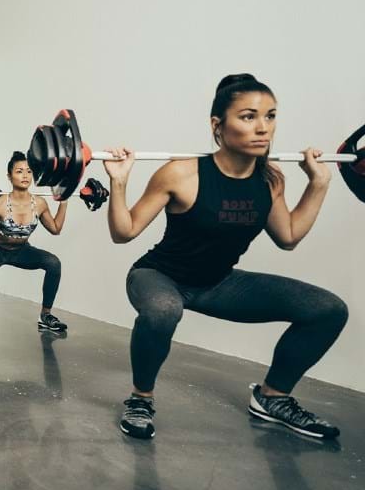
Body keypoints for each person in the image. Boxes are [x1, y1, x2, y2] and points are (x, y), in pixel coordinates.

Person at [107, 73, 348, 440]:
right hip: (160, 276)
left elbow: (288, 236)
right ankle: (141, 397)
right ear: (217, 125)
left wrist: (319, 184)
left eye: (270, 116)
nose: (263, 127)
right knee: (163, 310)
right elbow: (124, 232)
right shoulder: (181, 173)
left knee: (327, 309)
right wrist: (119, 182)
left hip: (219, 283)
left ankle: (273, 397)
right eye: (249, 116)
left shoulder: (270, 179)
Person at [0, 152, 68, 333]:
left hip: (21, 250)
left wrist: (63, 201)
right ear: (9, 176)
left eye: (29, 171)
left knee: (54, 263)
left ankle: (45, 315)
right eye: (19, 171)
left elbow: (55, 229)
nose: (25, 176)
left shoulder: (40, 203)